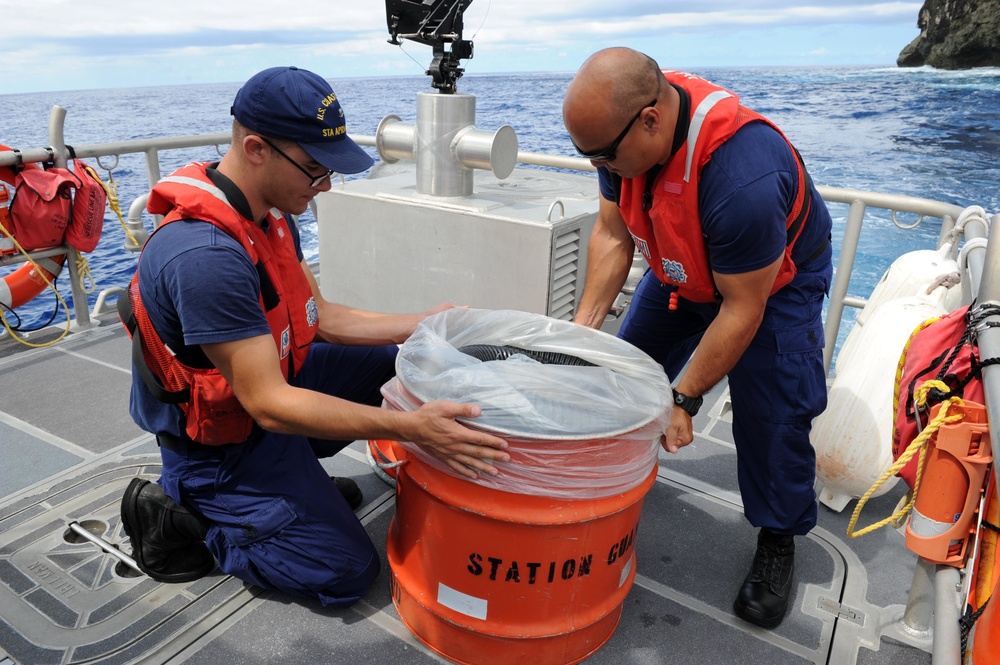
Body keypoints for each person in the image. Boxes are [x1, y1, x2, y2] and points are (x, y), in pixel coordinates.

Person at [119, 65, 509, 607]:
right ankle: (184, 518)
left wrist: (423, 322)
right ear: (256, 149)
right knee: (345, 572)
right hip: (223, 445)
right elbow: (270, 405)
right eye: (316, 169)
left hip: (270, 387)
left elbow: (320, 316)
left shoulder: (267, 210)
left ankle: (296, 484)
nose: (325, 184)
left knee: (394, 362)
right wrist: (411, 427)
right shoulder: (205, 257)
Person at [563, 48, 832, 629]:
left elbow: (742, 307)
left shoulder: (743, 179)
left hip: (770, 284)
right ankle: (614, 479)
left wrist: (685, 398)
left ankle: (778, 537)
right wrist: (582, 337)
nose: (598, 169)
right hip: (681, 268)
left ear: (652, 121)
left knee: (772, 412)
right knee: (621, 369)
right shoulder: (618, 137)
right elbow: (612, 236)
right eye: (587, 158)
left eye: (604, 157)